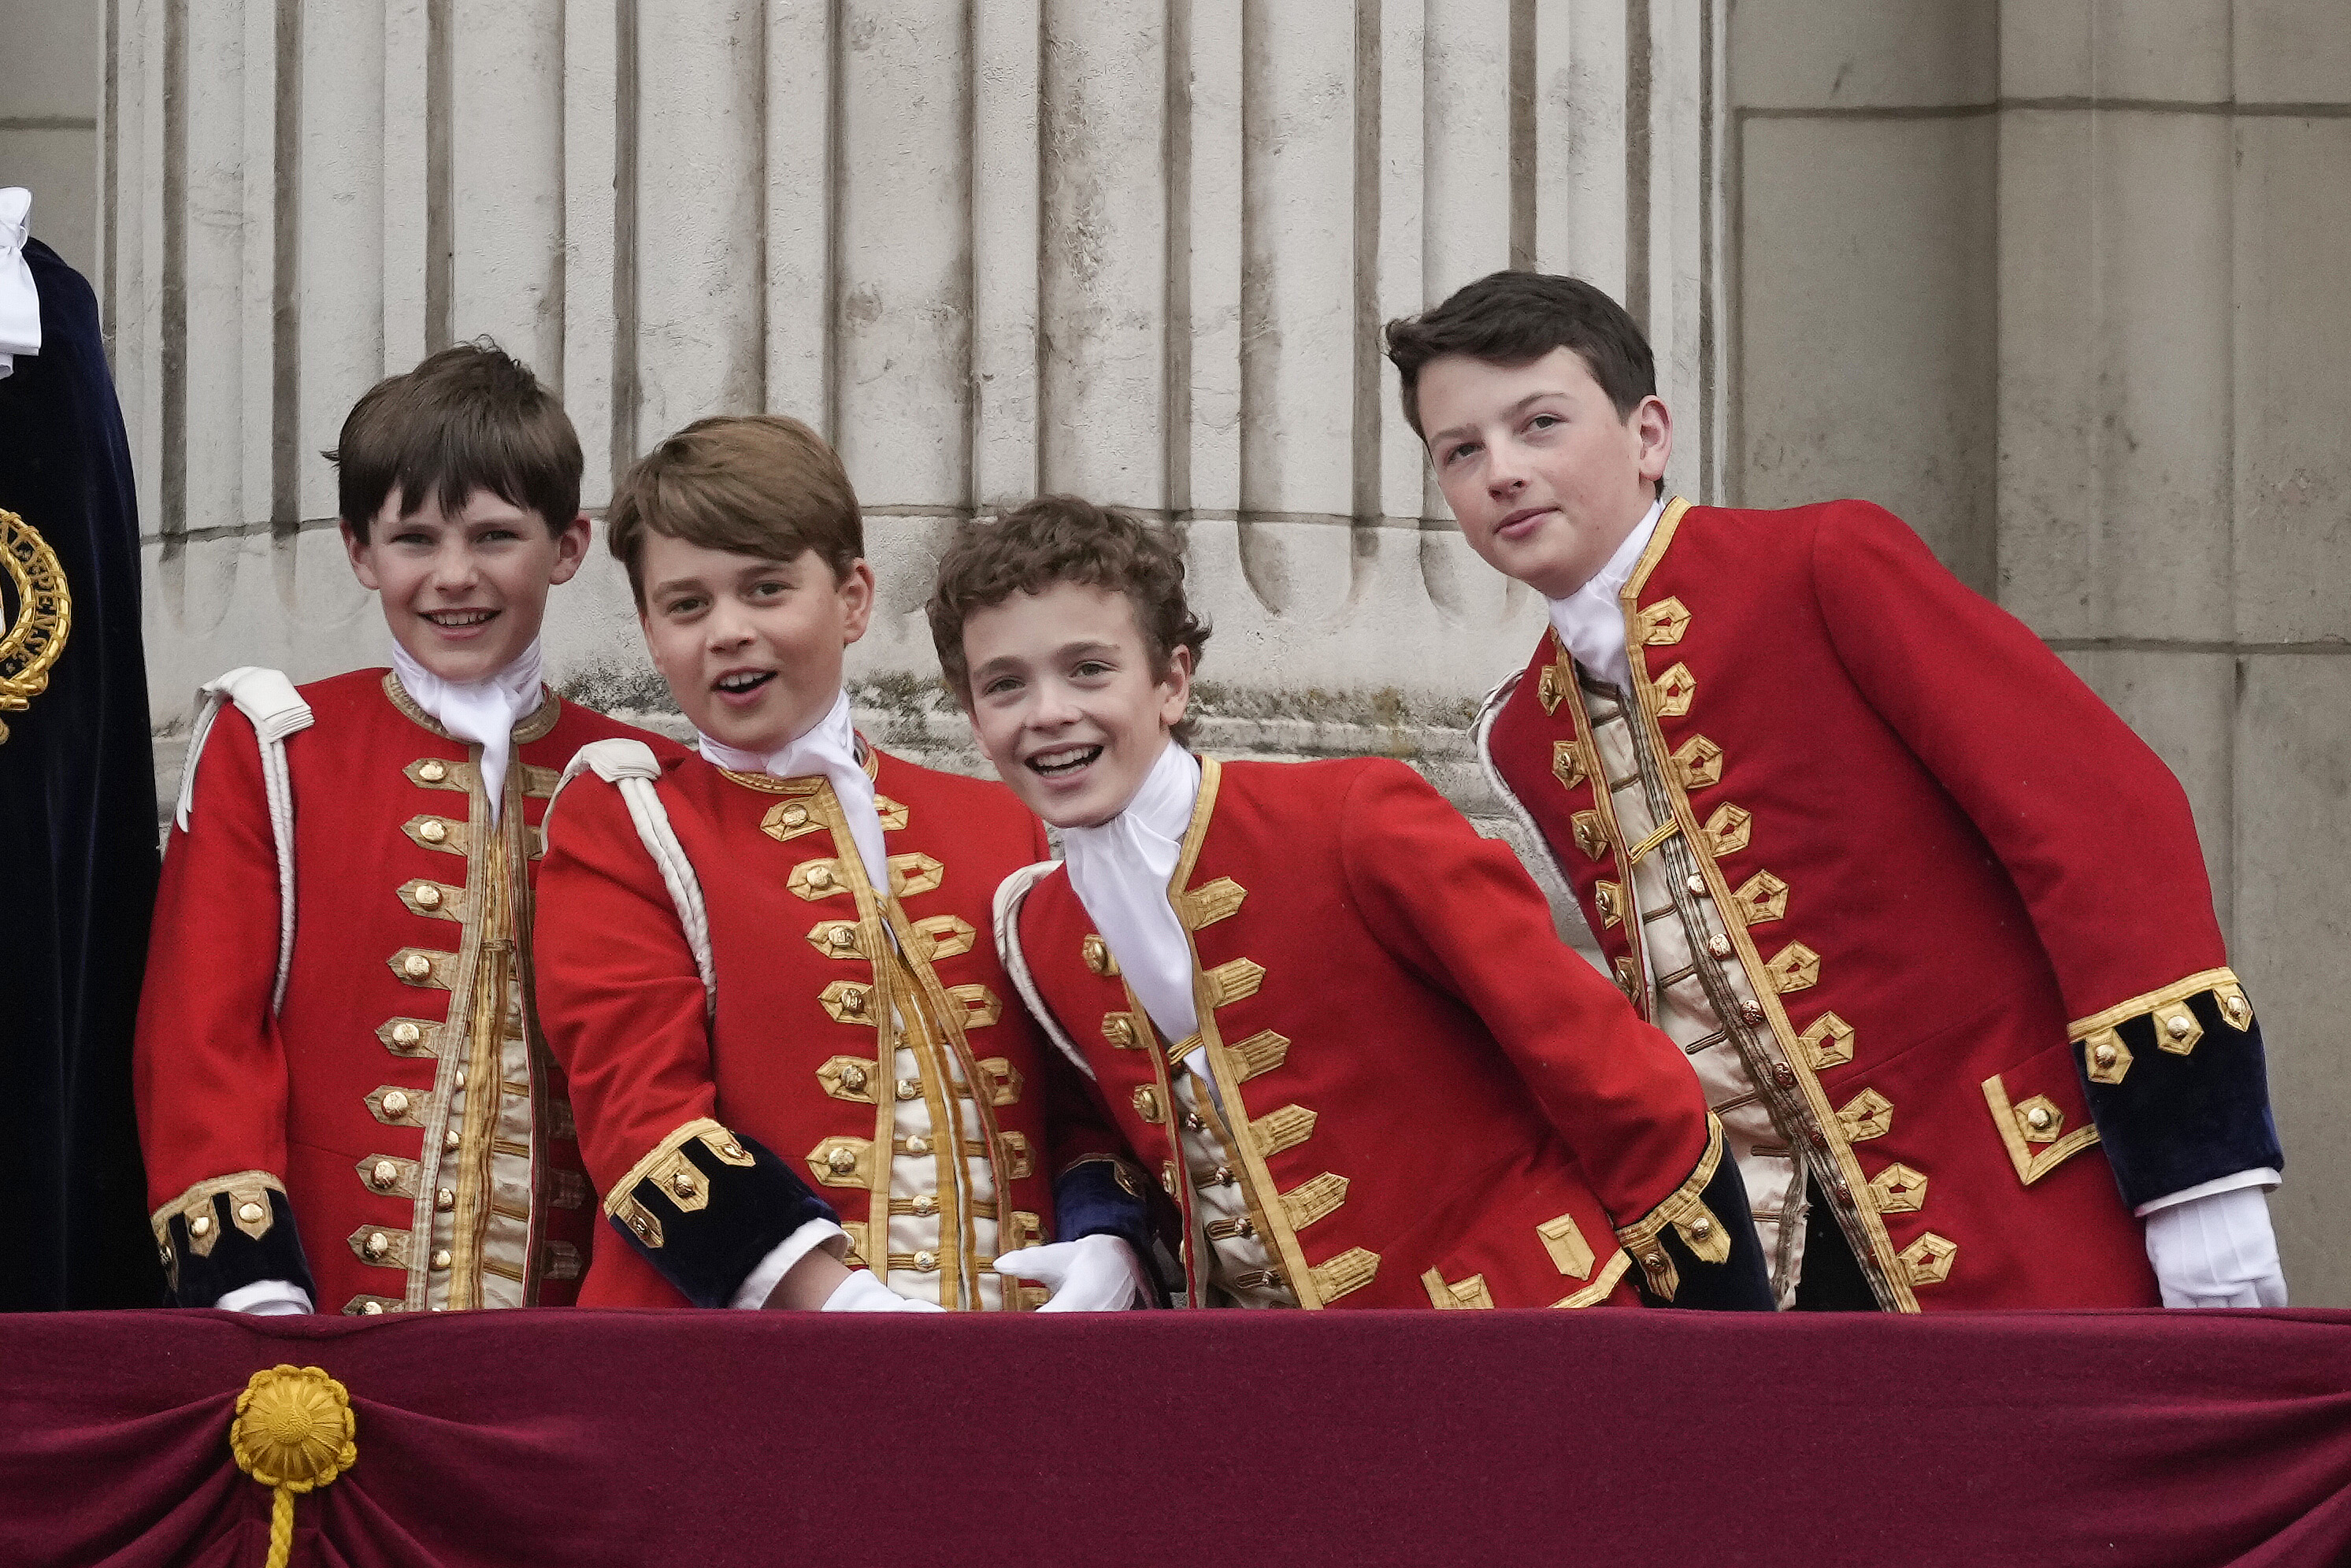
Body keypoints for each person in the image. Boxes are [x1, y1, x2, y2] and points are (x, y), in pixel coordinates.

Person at [1385, 269, 2284, 1310]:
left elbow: (2109, 824)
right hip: (1772, 1290)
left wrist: (2197, 1177)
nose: (1502, 471)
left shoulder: (1820, 563)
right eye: (1461, 450)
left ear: (1648, 436)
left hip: (2022, 1213)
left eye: (1539, 423)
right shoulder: (1523, 732)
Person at [932, 495, 1773, 1311]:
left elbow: (1614, 1076)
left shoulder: (1351, 818)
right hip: (1290, 1401)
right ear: (973, 717)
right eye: (1005, 685)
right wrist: (1110, 1241)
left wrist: (1720, 1356)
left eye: (1088, 668)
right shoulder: (1040, 932)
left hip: (1528, 1339)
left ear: (1172, 681)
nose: (1048, 712)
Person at [532, 417, 1155, 1313]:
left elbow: (1078, 1098)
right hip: (732, 1373)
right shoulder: (623, 822)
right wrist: (844, 1304)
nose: (729, 631)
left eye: (767, 588)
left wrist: (1107, 1239)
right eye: (687, 604)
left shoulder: (997, 820)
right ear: (649, 629)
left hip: (1010, 1362)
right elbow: (640, 1118)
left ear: (854, 598)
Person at [135, 341, 668, 1316]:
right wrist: (257, 1298)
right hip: (323, 1330)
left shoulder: (639, 776)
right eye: (415, 538)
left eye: (496, 536)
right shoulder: (276, 749)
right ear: (359, 550)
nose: (453, 576)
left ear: (568, 546)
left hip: (577, 1356)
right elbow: (201, 1044)